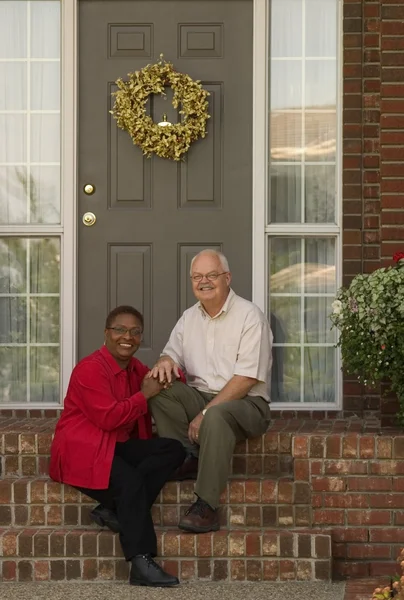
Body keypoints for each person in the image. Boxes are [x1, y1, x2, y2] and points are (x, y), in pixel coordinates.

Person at [49, 306, 185, 587]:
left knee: (172, 449)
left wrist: (170, 369)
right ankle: (140, 562)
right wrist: (144, 395)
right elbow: (109, 418)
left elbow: (165, 381)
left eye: (135, 331)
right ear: (106, 334)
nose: (128, 336)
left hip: (113, 446)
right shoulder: (90, 369)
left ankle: (113, 511)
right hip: (82, 449)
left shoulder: (135, 368)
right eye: (120, 330)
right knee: (130, 482)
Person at [148, 250, 272, 534]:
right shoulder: (189, 318)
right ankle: (187, 456)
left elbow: (246, 379)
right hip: (203, 398)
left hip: (248, 404)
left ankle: (206, 505)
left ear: (227, 278)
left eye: (211, 275)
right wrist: (164, 362)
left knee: (215, 416)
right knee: (159, 389)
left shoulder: (249, 315)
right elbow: (170, 356)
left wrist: (204, 413)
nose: (204, 282)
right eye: (197, 277)